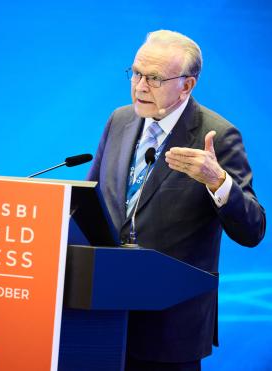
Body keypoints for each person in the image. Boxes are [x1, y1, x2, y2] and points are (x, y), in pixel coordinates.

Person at [87, 30, 266, 371]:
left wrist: (219, 181)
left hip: (168, 328)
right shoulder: (120, 119)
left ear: (187, 85)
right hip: (102, 313)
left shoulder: (216, 135)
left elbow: (253, 230)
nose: (139, 86)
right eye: (136, 73)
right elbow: (91, 201)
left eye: (154, 78)